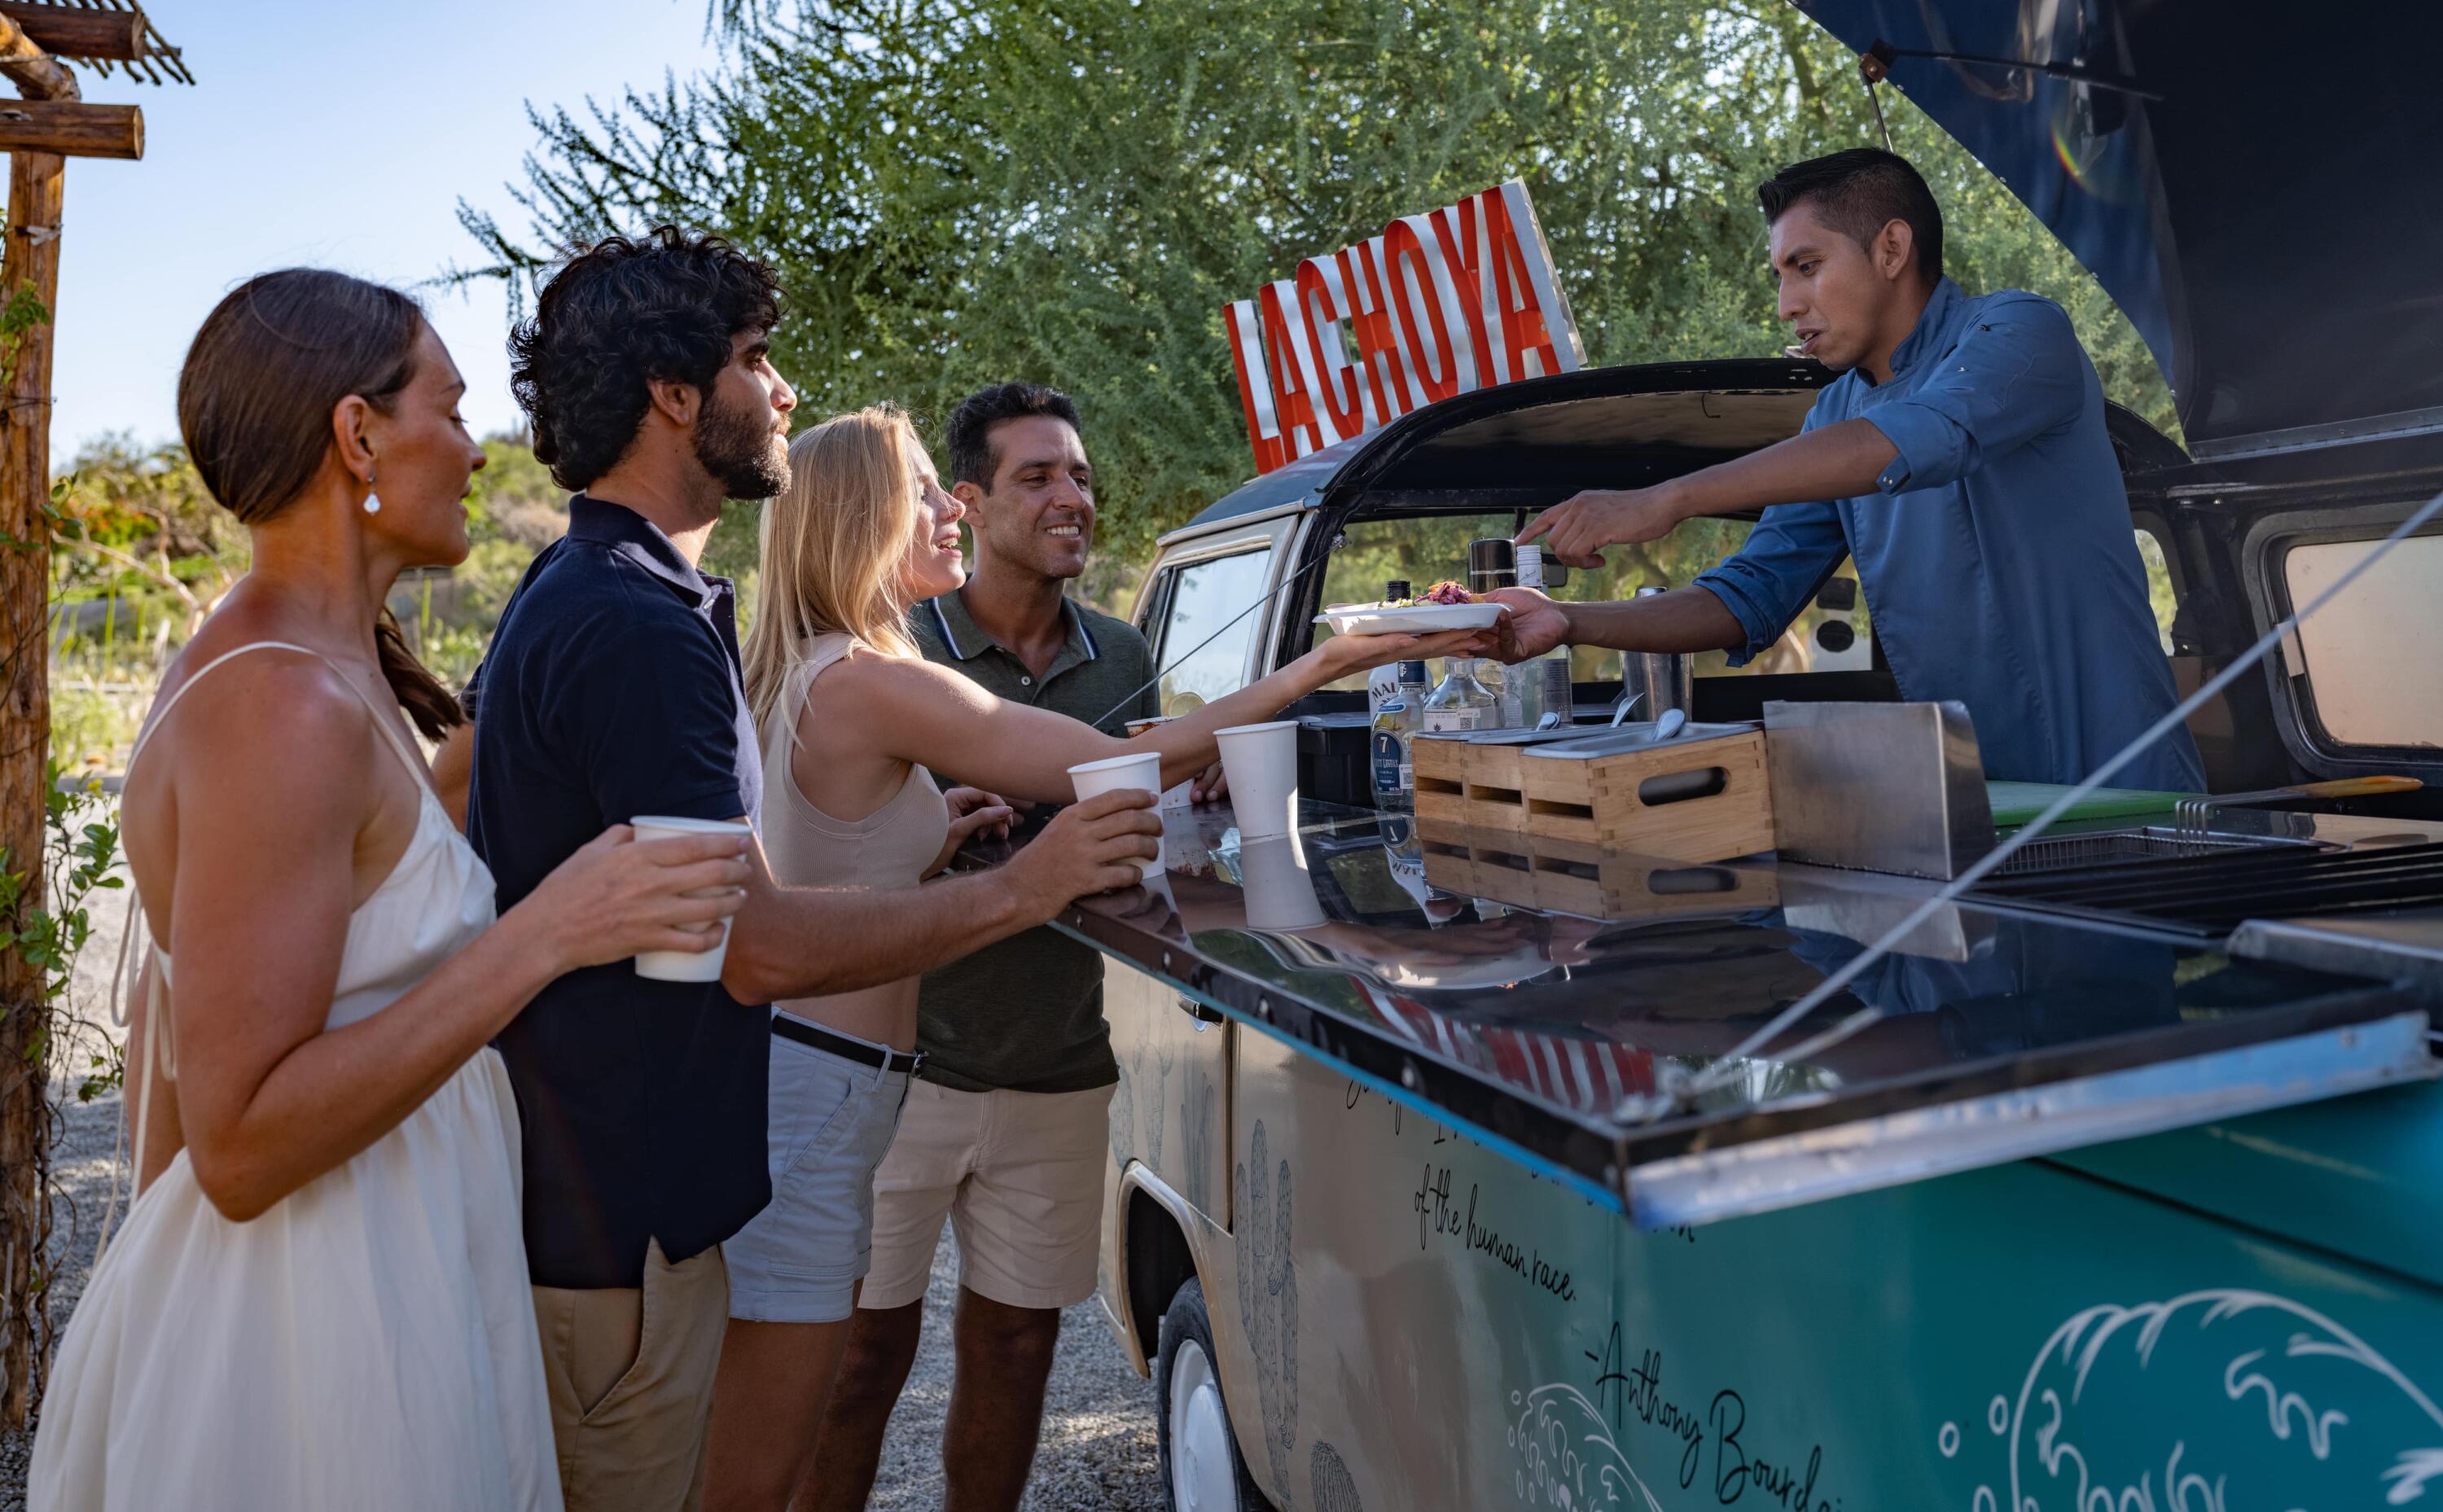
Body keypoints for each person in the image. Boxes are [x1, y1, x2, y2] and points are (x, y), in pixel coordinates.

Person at [445, 234, 1161, 1512]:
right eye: (755, 360)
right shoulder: (636, 621)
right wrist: (1021, 886)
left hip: (623, 1206)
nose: (782, 393)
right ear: (674, 393)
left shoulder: (598, 586)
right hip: (626, 1227)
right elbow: (755, 946)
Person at [31, 272, 754, 1511]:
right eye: (453, 410)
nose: (480, 453)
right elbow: (243, 1144)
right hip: (315, 1335)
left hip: (386, 1275)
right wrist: (546, 932)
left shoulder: (324, 665)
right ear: (358, 433)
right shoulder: (282, 704)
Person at [712, 401, 1479, 1512]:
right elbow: (1124, 762)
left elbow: (841, 826)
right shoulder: (880, 675)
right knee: (776, 1441)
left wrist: (934, 820)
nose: (944, 509)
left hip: (830, 1078)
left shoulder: (821, 665)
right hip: (835, 1090)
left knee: (791, 1409)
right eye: (926, 489)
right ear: (866, 516)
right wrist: (1342, 654)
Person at [1498, 149, 2204, 791]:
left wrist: (1673, 497)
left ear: (1892, 248)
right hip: (1977, 801)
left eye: (1806, 267)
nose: (1786, 306)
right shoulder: (1832, 415)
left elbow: (1917, 435)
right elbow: (1748, 596)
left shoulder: (2021, 330)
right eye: (1780, 277)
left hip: (2124, 791)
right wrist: (1568, 620)